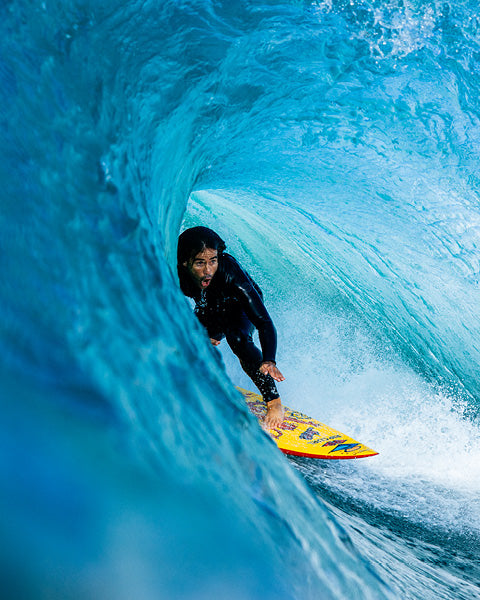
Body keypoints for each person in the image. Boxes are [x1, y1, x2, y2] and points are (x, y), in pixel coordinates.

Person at [177, 226, 285, 429]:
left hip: (239, 306)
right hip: (210, 305)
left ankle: (274, 402)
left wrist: (269, 359)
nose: (208, 270)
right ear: (185, 262)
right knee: (189, 339)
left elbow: (264, 321)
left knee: (238, 339)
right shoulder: (177, 273)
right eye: (200, 263)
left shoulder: (230, 274)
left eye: (213, 261)